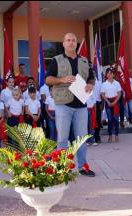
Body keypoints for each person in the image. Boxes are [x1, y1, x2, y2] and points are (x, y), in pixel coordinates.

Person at [46, 32, 96, 177]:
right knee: (62, 138)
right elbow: (48, 79)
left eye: (74, 40)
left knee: (81, 138)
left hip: (81, 104)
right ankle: (60, 167)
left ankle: (82, 167)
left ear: (76, 43)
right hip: (63, 104)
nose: (71, 42)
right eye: (68, 40)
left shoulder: (84, 61)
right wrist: (62, 79)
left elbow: (91, 78)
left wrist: (90, 85)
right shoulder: (56, 60)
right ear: (63, 43)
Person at [101, 67, 122, 143]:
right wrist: (108, 102)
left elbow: (119, 93)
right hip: (108, 102)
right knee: (110, 120)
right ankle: (110, 136)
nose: (109, 75)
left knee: (116, 120)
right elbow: (102, 94)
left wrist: (115, 102)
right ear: (106, 75)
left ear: (113, 74)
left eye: (111, 73)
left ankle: (116, 135)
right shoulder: (104, 84)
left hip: (116, 102)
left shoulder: (117, 83)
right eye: (108, 73)